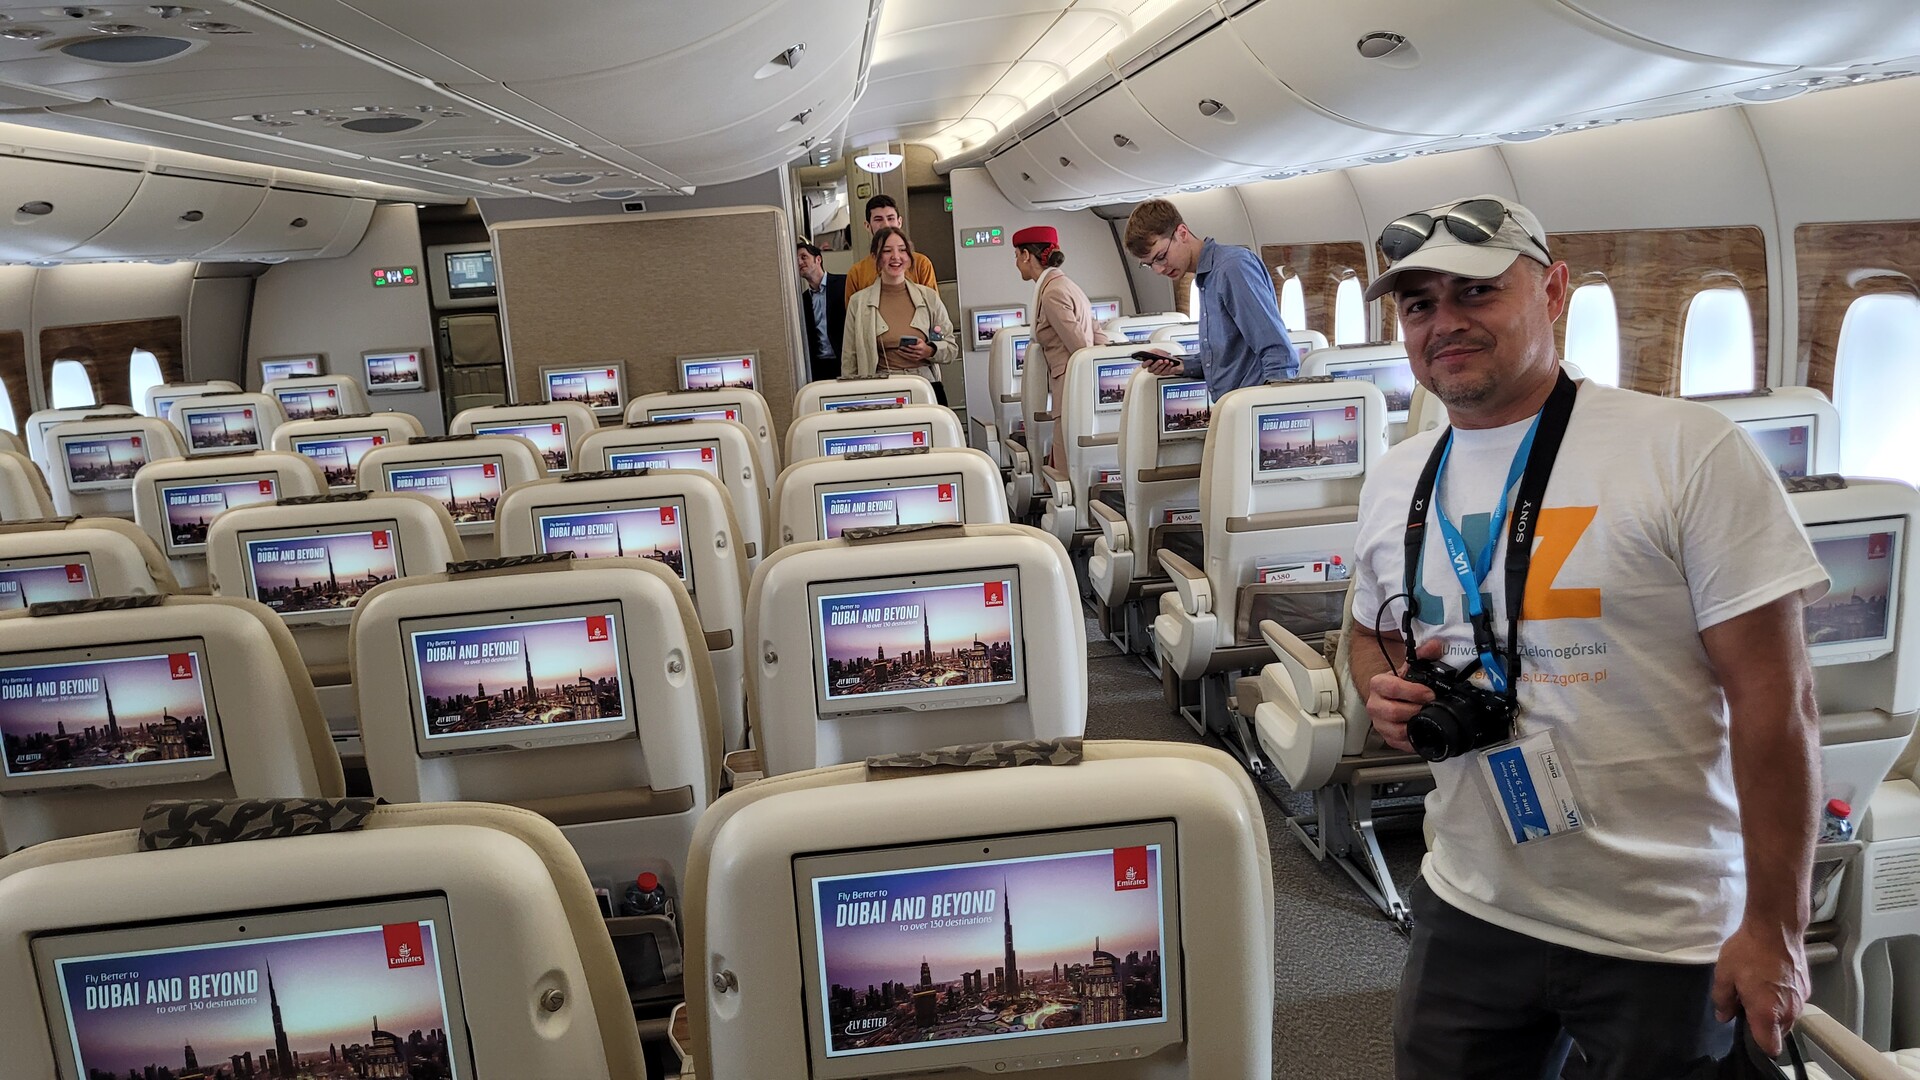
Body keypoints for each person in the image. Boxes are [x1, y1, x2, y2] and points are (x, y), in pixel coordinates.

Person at [1345, 194, 1827, 1078]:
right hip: (1471, 899)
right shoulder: (1397, 477)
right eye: (1419, 304)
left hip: (1666, 924)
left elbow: (1778, 702)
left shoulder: (1685, 452)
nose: (1445, 322)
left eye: (1476, 291)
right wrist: (1384, 691)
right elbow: (1364, 631)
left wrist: (1776, 926)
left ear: (1554, 290)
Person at [1121, 198, 1298, 396]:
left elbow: (1277, 351)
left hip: (1249, 404)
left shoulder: (1232, 268)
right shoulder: (1207, 279)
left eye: (1161, 257)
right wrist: (1179, 364)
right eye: (1150, 264)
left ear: (1182, 233)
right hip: (1233, 405)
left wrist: (1271, 404)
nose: (1158, 269)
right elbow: (1231, 357)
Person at [1012, 225, 1103, 465]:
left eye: (1016, 255)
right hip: (1077, 384)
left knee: (1064, 465)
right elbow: (1098, 335)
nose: (1016, 263)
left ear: (1026, 255)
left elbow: (1081, 347)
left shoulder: (1052, 293)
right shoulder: (1068, 285)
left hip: (1068, 386)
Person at [842, 227, 957, 404]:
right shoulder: (858, 302)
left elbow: (951, 348)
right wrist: (853, 399)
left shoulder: (929, 298)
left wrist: (929, 350)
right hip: (881, 391)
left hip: (925, 387)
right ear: (875, 257)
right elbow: (849, 359)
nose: (896, 257)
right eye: (887, 251)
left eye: (902, 250)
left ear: (909, 257)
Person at [844, 194, 938, 301]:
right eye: (878, 219)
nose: (886, 225)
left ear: (899, 222)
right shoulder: (857, 273)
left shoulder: (921, 264)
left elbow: (933, 305)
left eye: (890, 218)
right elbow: (854, 310)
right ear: (867, 226)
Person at [797, 241, 846, 384]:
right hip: (819, 367)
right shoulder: (802, 300)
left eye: (804, 257)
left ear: (818, 259)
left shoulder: (844, 283)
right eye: (796, 259)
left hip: (844, 360)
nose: (799, 262)